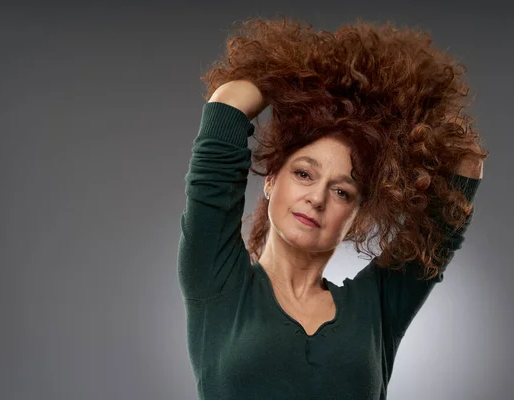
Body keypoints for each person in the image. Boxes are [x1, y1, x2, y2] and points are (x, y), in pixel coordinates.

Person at [177, 16, 487, 400]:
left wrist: (393, 114)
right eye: (304, 174)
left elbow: (465, 166)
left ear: (358, 217)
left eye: (342, 192)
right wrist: (309, 79)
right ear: (271, 180)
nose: (318, 197)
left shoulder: (378, 307)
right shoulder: (218, 282)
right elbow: (229, 102)